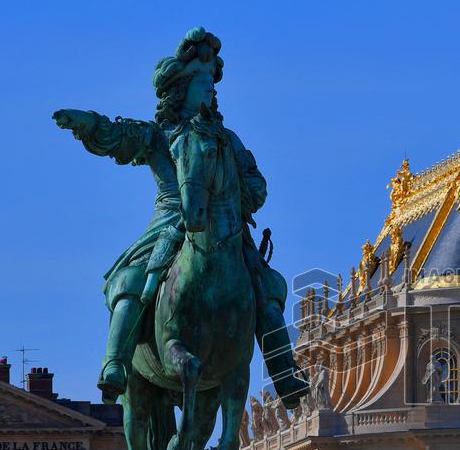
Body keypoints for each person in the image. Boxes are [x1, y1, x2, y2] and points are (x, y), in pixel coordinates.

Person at [53, 27, 303, 405]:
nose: (210, 90)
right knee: (134, 281)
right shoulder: (158, 133)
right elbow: (117, 136)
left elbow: (255, 181)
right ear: (182, 87)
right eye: (202, 82)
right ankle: (115, 363)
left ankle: (284, 373)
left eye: (211, 83)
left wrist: (243, 198)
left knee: (267, 287)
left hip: (224, 225)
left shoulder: (226, 139)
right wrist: (86, 122)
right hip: (170, 220)